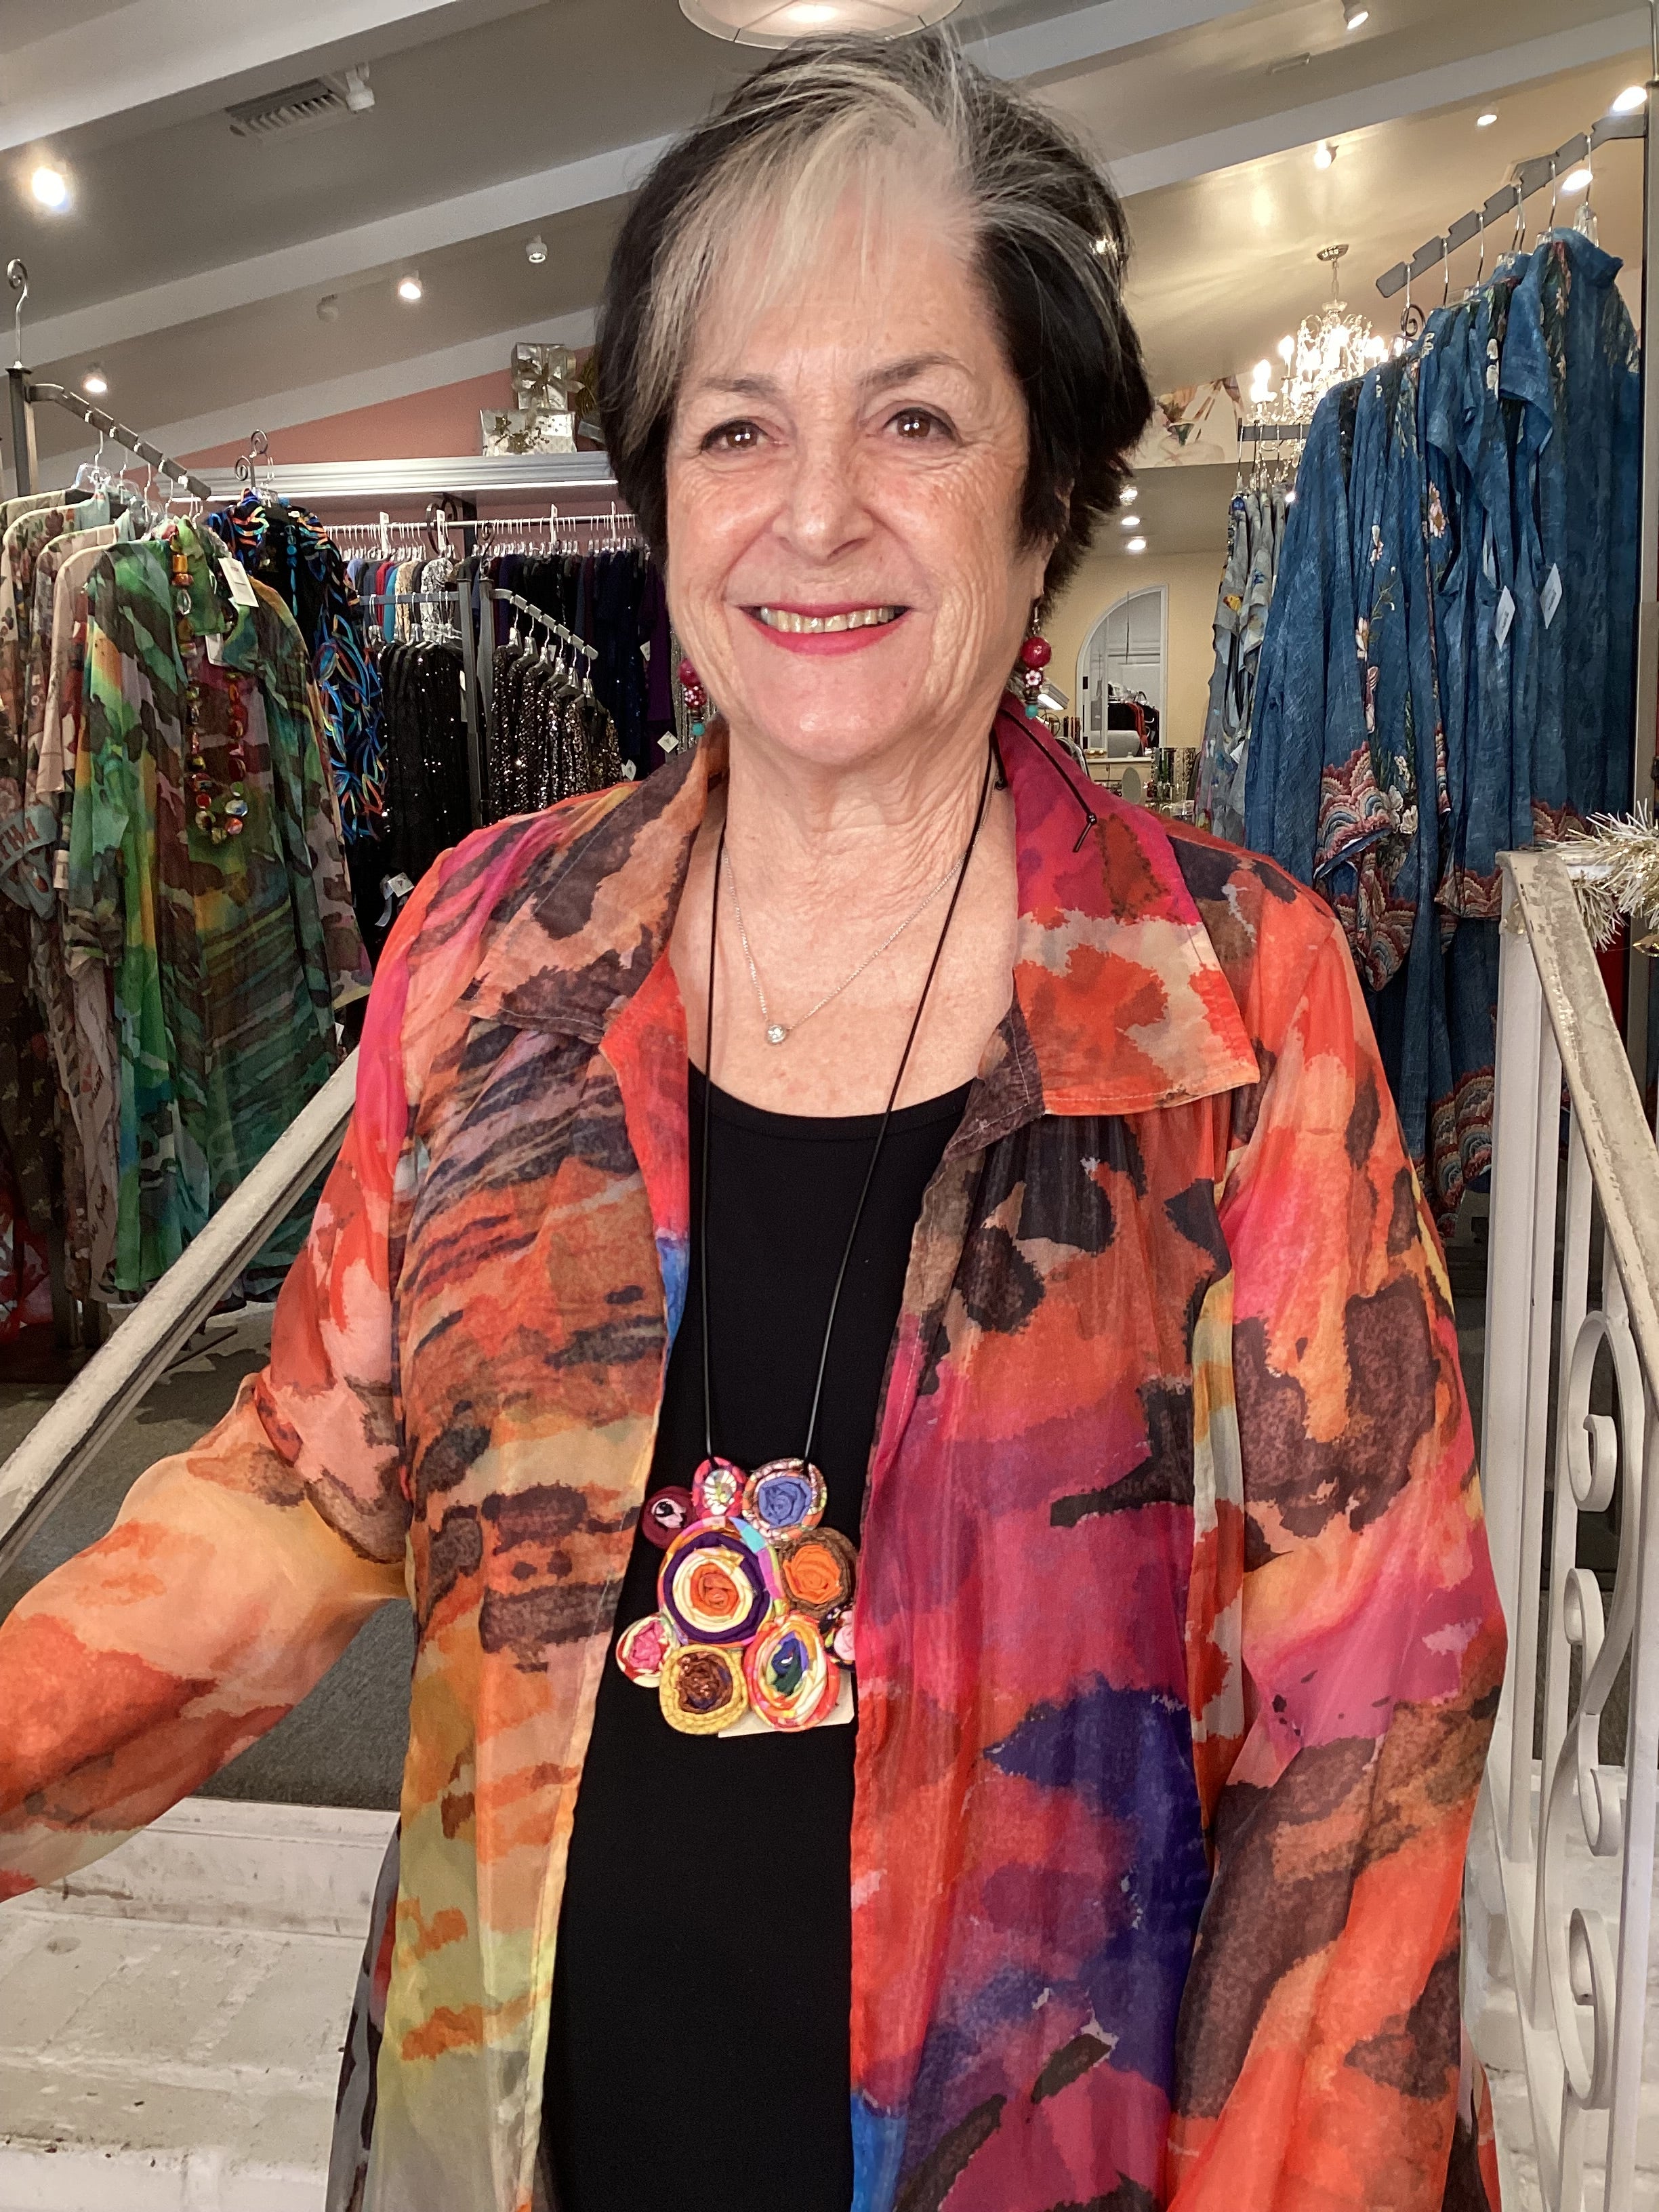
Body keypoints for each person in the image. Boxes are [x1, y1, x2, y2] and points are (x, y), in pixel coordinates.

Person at [0, 31, 1504, 2212]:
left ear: (1045, 490)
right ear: (662, 493)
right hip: (529, 2123)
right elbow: (305, 1485)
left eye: (915, 419)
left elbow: (1373, 1709)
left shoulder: (1232, 998)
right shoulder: (494, 946)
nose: (815, 513)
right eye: (738, 428)